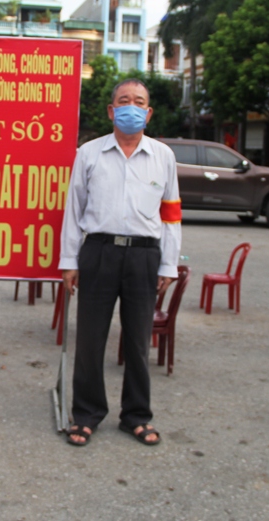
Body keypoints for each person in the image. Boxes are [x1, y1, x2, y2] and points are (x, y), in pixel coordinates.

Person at [59, 78, 181, 447]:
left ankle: (136, 416)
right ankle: (86, 414)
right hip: (98, 252)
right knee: (90, 340)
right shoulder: (90, 153)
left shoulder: (163, 156)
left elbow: (172, 214)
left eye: (139, 101)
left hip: (145, 256)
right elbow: (73, 209)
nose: (131, 107)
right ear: (112, 110)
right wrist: (69, 259)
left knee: (138, 341)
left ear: (148, 112)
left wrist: (168, 265)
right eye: (124, 101)